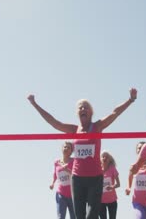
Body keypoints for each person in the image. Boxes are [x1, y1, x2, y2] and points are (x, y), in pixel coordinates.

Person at [28, 88, 137, 219]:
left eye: (86, 107)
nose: (82, 109)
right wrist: (35, 105)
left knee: (92, 215)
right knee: (79, 216)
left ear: (91, 112)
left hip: (95, 178)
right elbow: (54, 123)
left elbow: (115, 113)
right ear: (77, 113)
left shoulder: (97, 127)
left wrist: (130, 100)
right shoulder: (74, 130)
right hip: (77, 179)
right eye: (80, 108)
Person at [126, 141, 146, 219]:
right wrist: (128, 187)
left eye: (142, 148)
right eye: (139, 148)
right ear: (137, 151)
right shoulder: (134, 166)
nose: (140, 149)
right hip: (138, 201)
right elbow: (130, 176)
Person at [50, 141, 75, 219]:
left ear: (71, 151)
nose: (66, 148)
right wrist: (52, 183)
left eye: (68, 147)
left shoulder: (74, 161)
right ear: (62, 149)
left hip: (72, 195)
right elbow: (55, 174)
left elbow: (76, 175)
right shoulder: (57, 162)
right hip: (61, 194)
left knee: (74, 217)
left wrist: (67, 170)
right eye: (64, 147)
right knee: (61, 216)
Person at [99, 150, 120, 219]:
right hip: (101, 201)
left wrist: (111, 187)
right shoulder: (98, 170)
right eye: (103, 157)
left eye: (106, 157)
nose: (104, 158)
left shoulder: (112, 169)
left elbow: (118, 184)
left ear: (109, 159)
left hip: (112, 200)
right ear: (100, 159)